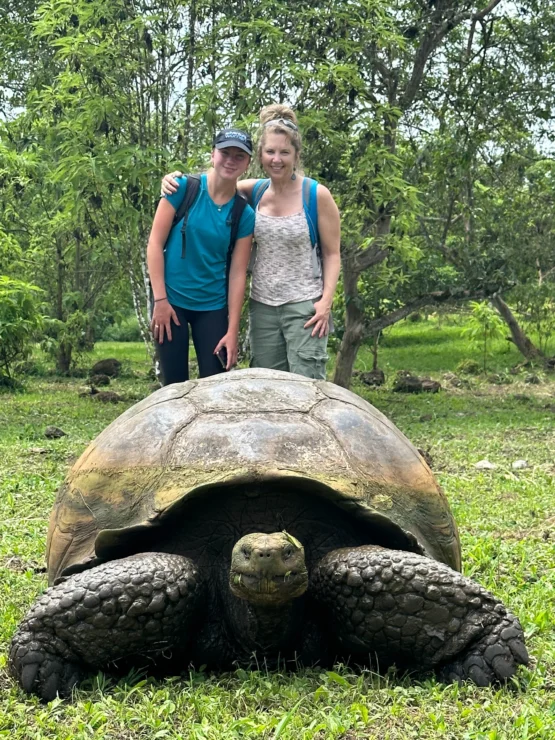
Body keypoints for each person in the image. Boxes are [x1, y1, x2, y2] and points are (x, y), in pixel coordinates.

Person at [161, 105, 341, 380]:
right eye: (270, 152)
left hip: (305, 307)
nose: (277, 159)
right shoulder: (254, 191)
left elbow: (331, 254)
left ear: (296, 155)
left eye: (284, 152)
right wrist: (175, 179)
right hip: (263, 307)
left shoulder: (316, 195)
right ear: (259, 156)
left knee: (307, 387)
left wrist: (326, 302)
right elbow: (216, 184)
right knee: (266, 389)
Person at [148, 128, 255, 385]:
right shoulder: (183, 188)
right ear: (212, 155)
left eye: (239, 156)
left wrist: (232, 330)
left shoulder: (243, 213)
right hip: (171, 303)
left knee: (216, 387)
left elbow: (238, 273)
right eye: (225, 152)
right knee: (173, 387)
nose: (230, 160)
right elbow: (154, 243)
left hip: (213, 307)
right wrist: (160, 300)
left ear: (248, 163)